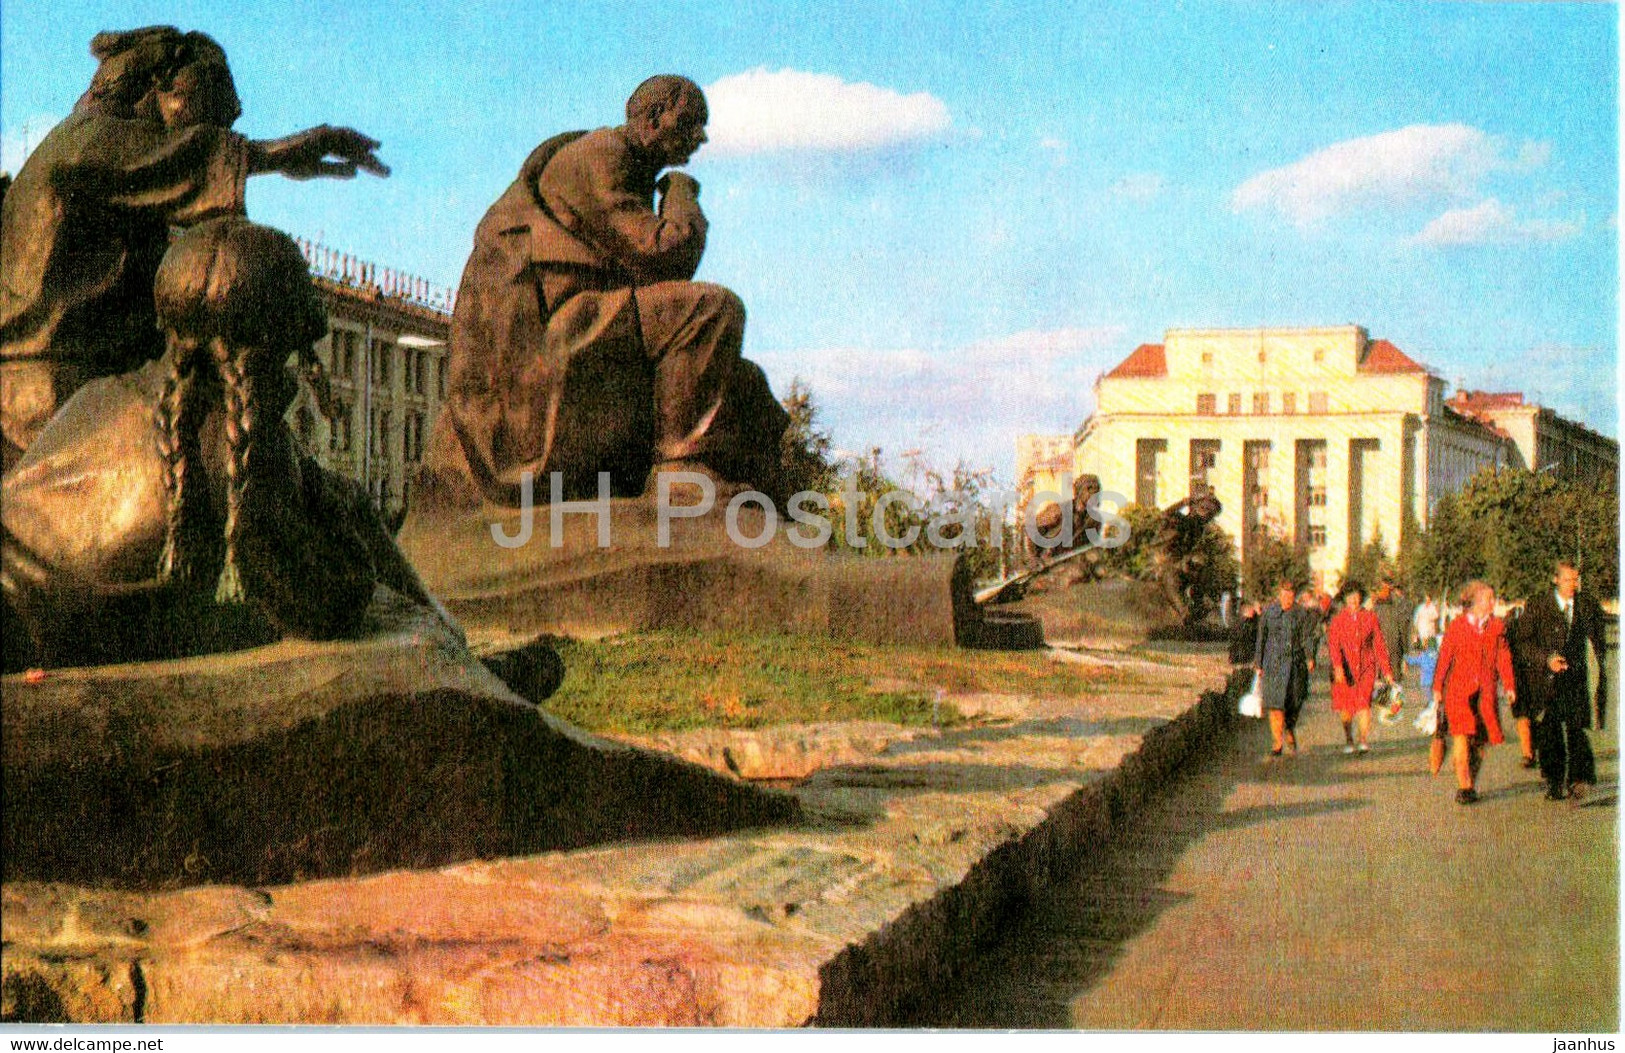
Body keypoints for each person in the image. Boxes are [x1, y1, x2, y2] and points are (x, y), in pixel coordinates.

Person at [3, 218, 442, 671]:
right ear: (273, 351)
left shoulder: (96, 400)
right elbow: (332, 602)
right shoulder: (249, 457)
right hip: (48, 638)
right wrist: (350, 511)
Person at [0, 26, 388, 471]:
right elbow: (188, 156)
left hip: (73, 386)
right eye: (213, 115)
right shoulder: (87, 140)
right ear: (163, 89)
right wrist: (287, 151)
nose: (219, 129)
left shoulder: (96, 152)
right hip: (49, 399)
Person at [419, 75, 788, 509]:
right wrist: (681, 194)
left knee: (743, 382)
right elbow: (664, 255)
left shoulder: (624, 164)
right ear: (653, 118)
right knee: (714, 309)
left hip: (583, 313)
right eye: (690, 123)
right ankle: (681, 475)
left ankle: (748, 494)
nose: (701, 137)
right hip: (557, 324)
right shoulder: (602, 156)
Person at [1512, 561, 1608, 802]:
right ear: (1555, 580)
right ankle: (1554, 782)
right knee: (1549, 730)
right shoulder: (1539, 604)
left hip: (1575, 678)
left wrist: (1598, 669)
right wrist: (1546, 659)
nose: (1573, 585)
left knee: (1577, 728)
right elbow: (1523, 643)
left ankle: (1578, 779)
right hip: (1546, 679)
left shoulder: (1587, 604)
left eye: (1576, 580)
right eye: (1568, 580)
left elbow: (1599, 640)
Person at [1432, 580, 1516, 805]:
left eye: (1493, 598)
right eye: (1489, 598)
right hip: (1459, 693)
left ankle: (1470, 780)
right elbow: (1444, 658)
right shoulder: (1457, 626)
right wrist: (1437, 688)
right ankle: (1464, 786)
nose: (1493, 602)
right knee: (1461, 738)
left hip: (1485, 695)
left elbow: (1503, 657)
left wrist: (1509, 685)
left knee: (1480, 744)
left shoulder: (1496, 627)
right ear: (1475, 602)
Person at [1326, 580, 1395, 753]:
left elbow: (1379, 645)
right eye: (1350, 597)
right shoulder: (1338, 620)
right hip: (1345, 670)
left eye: (1356, 597)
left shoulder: (1370, 617)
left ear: (1361, 598)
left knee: (1364, 704)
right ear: (1345, 599)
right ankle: (1349, 740)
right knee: (1347, 707)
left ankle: (1363, 740)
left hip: (1366, 668)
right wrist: (1337, 667)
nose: (1353, 601)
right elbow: (1334, 645)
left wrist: (1387, 671)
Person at [1253, 579, 1314, 756]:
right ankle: (1277, 743)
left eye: (1291, 596)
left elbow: (1307, 637)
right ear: (1279, 595)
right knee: (1274, 704)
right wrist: (1258, 663)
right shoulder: (1269, 613)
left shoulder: (1301, 614)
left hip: (1295, 665)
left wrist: (1310, 657)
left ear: (1295, 597)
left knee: (1294, 702)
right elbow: (1261, 638)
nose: (1288, 599)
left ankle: (1290, 727)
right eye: (1285, 595)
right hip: (1273, 664)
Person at [1373, 579, 1414, 718]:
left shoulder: (1393, 607)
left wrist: (1406, 655)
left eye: (1387, 588)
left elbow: (1404, 630)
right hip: (1384, 647)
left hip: (1392, 646)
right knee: (1387, 677)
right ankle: (1387, 707)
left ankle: (1389, 707)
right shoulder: (1377, 607)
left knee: (1391, 677)